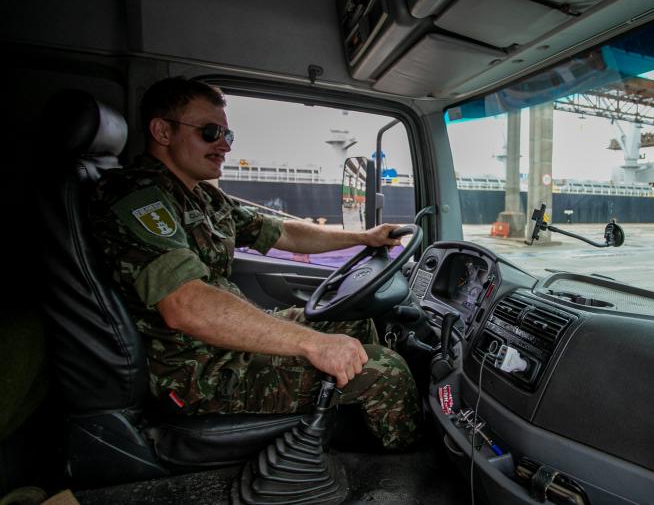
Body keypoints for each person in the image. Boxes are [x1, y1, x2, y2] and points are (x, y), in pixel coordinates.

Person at [88, 77, 419, 449]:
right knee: (388, 371)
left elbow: (285, 233)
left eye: (228, 136)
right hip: (194, 372)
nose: (223, 146)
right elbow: (186, 306)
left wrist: (364, 237)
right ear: (162, 131)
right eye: (211, 132)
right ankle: (405, 470)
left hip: (221, 346)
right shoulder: (138, 197)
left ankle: (353, 433)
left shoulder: (201, 197)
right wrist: (312, 344)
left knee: (354, 318)